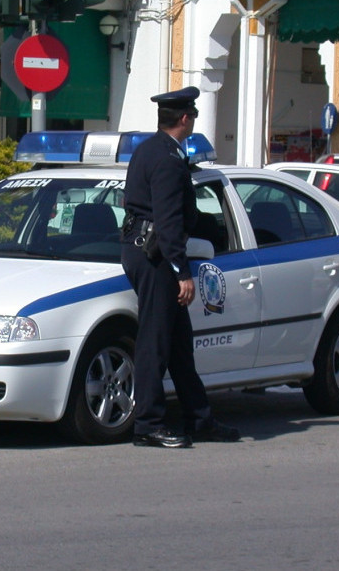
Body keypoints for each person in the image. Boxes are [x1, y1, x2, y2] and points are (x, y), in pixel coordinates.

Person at [121, 86, 240, 448]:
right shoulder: (168, 159)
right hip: (157, 255)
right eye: (193, 116)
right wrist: (182, 272)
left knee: (177, 344)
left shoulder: (149, 149)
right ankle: (148, 424)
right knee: (155, 343)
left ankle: (199, 418)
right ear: (185, 119)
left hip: (146, 249)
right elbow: (169, 220)